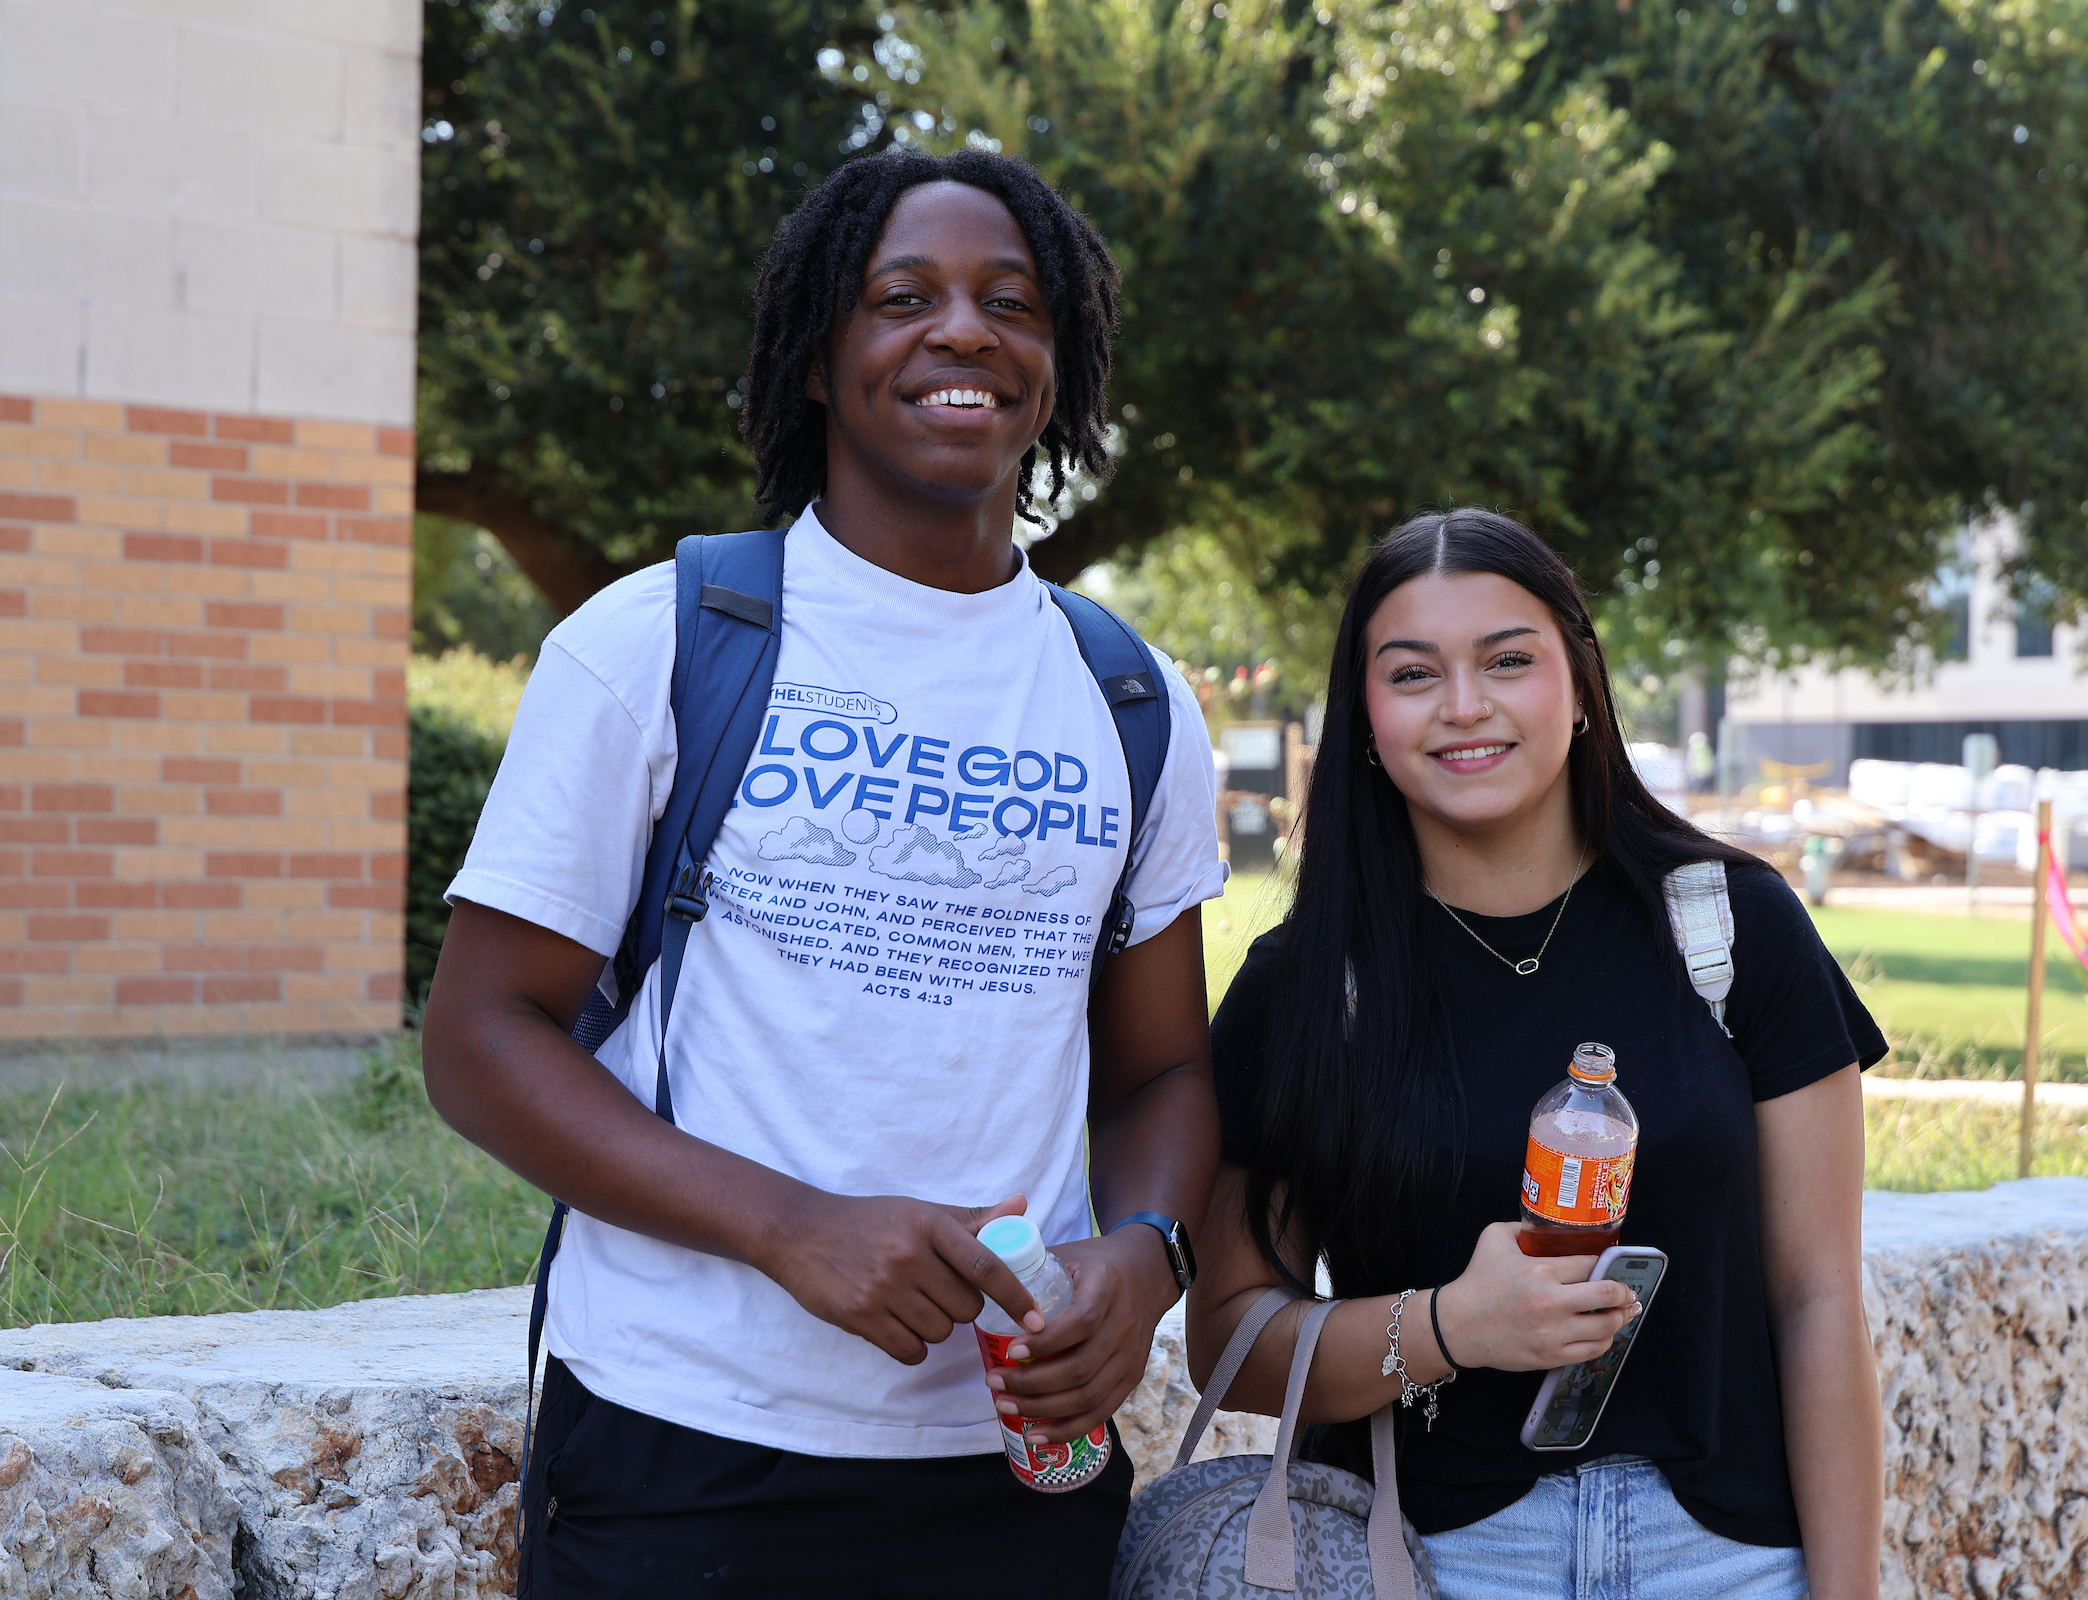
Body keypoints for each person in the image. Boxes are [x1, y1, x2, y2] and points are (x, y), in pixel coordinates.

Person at [422, 150, 1225, 1599]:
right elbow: (481, 1040)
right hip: (687, 1450)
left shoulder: (1129, 697)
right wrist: (787, 1226)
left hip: (1015, 1470)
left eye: (1012, 302)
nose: (964, 331)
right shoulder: (657, 642)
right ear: (817, 357)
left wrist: (1148, 1255)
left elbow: (1163, 1073)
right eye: (900, 297)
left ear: (1059, 361)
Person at [1189, 509, 1887, 1600]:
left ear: (1579, 682)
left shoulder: (1733, 928)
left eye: (1508, 660)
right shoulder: (1306, 986)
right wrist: (1445, 1326)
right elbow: (1229, 1336)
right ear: (1365, 718)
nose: (1465, 706)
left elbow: (1819, 1300)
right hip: (1427, 1560)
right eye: (1413, 673)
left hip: (1730, 1561)